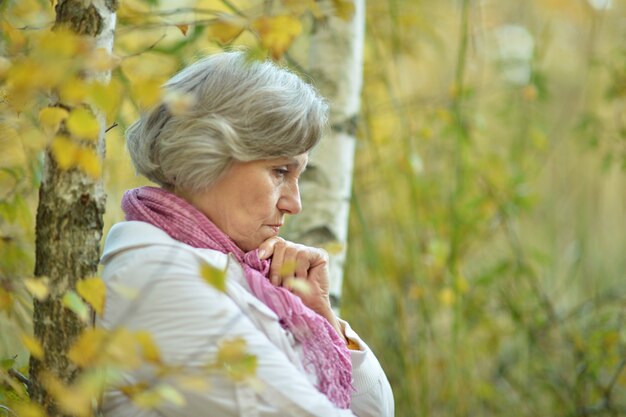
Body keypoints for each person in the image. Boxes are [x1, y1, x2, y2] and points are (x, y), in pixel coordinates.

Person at [99, 51, 394, 417]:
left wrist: (323, 320)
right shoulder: (153, 275)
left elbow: (375, 409)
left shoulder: (245, 274)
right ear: (206, 153)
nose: (294, 204)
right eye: (280, 171)